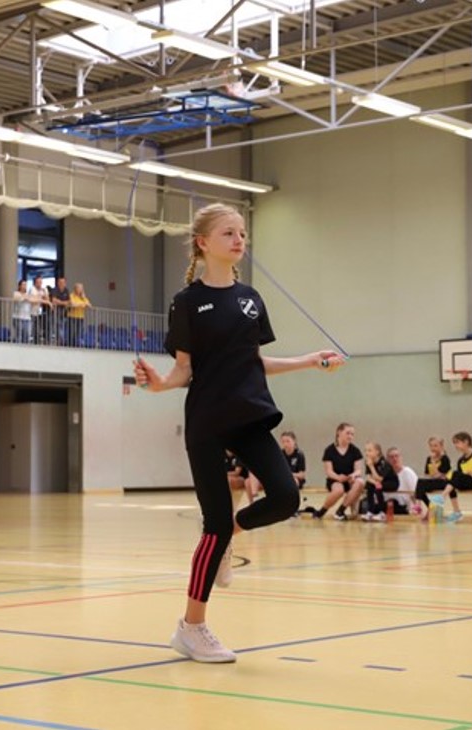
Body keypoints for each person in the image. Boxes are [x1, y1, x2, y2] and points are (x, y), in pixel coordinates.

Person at [132, 202, 344, 664]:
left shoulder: (251, 299)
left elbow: (255, 362)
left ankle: (231, 533)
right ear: (204, 243)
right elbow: (184, 370)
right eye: (229, 233)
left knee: (286, 496)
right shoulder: (187, 302)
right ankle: (192, 627)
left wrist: (309, 360)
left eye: (242, 233)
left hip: (250, 413)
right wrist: (157, 385)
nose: (239, 239)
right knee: (211, 526)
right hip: (207, 418)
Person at [311, 423, 365, 521]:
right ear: (339, 432)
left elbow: (358, 470)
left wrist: (353, 475)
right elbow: (329, 471)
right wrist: (338, 477)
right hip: (335, 479)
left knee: (360, 482)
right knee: (339, 490)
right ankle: (322, 511)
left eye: (352, 434)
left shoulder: (355, 450)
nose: (350, 436)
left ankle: (340, 511)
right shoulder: (329, 450)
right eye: (348, 433)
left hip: (350, 480)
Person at [437, 431, 472, 523]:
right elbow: (459, 476)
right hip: (464, 482)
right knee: (451, 480)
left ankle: (443, 496)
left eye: (457, 442)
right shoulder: (461, 460)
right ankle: (456, 512)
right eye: (454, 443)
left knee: (454, 476)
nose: (455, 446)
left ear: (466, 442)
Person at [413, 436, 452, 518]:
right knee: (420, 485)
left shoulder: (445, 458)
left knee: (421, 484)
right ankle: (421, 506)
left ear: (441, 446)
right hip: (433, 481)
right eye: (431, 446)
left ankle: (428, 507)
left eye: (435, 446)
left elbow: (440, 475)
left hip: (444, 483)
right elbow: (426, 473)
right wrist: (431, 476)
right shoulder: (428, 458)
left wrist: (433, 462)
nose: (433, 448)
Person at [360, 441, 393, 521]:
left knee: (378, 488)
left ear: (377, 452)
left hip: (391, 482)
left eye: (369, 450)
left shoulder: (384, 463)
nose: (367, 453)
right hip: (377, 482)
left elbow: (379, 478)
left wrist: (371, 466)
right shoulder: (368, 461)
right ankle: (370, 512)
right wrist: (375, 483)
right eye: (366, 450)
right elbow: (368, 477)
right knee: (369, 485)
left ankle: (382, 513)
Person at [385, 446, 418, 514]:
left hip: (405, 508)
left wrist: (417, 509)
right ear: (387, 460)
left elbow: (416, 494)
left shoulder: (408, 472)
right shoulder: (384, 474)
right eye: (391, 457)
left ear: (401, 457)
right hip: (387, 507)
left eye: (396, 456)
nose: (394, 459)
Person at [67, 282, 92, 347]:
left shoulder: (83, 297)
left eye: (82, 288)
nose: (81, 290)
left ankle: (75, 344)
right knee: (71, 331)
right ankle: (70, 345)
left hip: (80, 317)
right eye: (79, 288)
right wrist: (82, 304)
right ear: (75, 288)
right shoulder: (71, 295)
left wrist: (83, 298)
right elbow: (73, 304)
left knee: (78, 332)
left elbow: (89, 305)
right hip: (72, 316)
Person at [48, 276, 71, 344]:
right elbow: (54, 300)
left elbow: (69, 302)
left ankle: (60, 342)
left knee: (62, 329)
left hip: (64, 314)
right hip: (55, 313)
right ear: (58, 283)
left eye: (63, 282)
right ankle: (56, 342)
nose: (61, 283)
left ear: (65, 283)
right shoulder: (55, 290)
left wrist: (60, 302)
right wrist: (64, 303)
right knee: (56, 328)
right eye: (60, 282)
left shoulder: (66, 290)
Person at [29, 275, 51, 344]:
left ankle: (40, 342)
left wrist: (45, 293)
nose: (40, 284)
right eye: (38, 282)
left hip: (39, 312)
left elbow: (47, 300)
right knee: (33, 329)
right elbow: (35, 299)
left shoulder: (43, 289)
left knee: (39, 329)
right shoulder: (32, 289)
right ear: (35, 283)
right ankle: (34, 342)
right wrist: (43, 299)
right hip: (31, 312)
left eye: (41, 282)